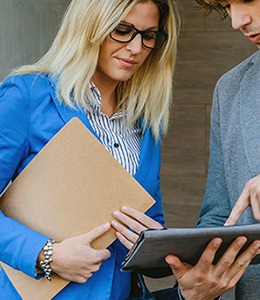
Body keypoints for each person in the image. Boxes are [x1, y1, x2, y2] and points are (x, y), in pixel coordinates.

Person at [0, 0, 181, 298]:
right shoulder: (28, 96)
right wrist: (46, 255)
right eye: (123, 30)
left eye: (149, 36)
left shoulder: (145, 124)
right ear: (89, 28)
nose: (136, 48)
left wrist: (155, 244)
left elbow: (152, 222)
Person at [165, 0, 260, 299]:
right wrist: (194, 269)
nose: (237, 20)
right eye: (227, 6)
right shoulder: (231, 87)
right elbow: (221, 212)